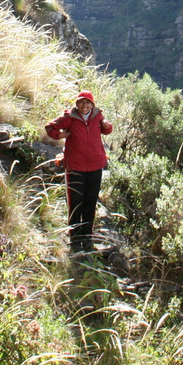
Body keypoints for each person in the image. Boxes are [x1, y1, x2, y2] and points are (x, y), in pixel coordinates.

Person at [45, 90, 113, 252]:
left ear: (92, 104)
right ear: (77, 104)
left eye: (88, 102)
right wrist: (60, 135)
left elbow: (107, 130)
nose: (84, 105)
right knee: (75, 201)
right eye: (81, 102)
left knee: (90, 201)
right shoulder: (69, 117)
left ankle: (87, 237)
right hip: (75, 165)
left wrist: (107, 125)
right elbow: (50, 127)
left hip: (95, 165)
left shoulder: (97, 116)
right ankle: (75, 238)